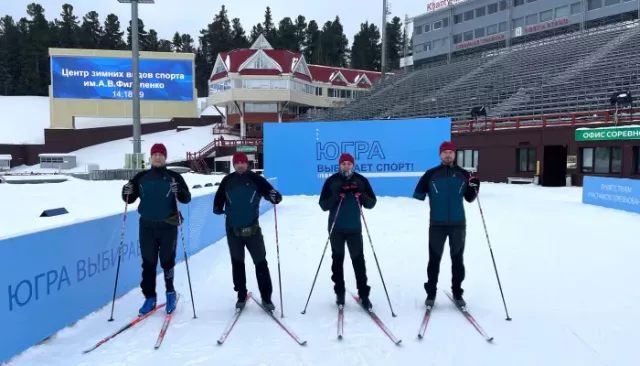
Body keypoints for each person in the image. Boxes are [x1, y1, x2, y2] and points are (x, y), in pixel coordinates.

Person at [121, 143, 191, 316]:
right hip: (146, 226)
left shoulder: (173, 176)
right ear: (150, 157)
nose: (158, 157)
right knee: (148, 263)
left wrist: (179, 190)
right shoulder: (141, 177)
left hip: (167, 225)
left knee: (167, 261)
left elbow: (186, 198)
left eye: (161, 154)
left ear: (165, 157)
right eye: (155, 154)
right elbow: (129, 199)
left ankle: (170, 294)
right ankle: (150, 297)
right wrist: (125, 190)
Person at [412, 141, 480, 308]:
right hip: (437, 224)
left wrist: (475, 186)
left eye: (450, 152)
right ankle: (431, 294)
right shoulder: (431, 174)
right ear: (440, 155)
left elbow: (470, 198)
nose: (448, 155)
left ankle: (457, 293)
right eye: (445, 153)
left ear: (454, 155)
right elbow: (418, 194)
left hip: (458, 224)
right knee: (434, 260)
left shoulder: (464, 174)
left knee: (457, 260)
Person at [213, 152, 282, 312]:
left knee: (260, 263)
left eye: (243, 162)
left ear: (247, 164)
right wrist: (218, 208)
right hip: (233, 231)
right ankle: (241, 294)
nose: (240, 165)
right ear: (234, 164)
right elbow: (218, 201)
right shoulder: (227, 181)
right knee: (237, 263)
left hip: (253, 230)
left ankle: (266, 298)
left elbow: (276, 197)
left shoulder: (256, 179)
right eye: (237, 163)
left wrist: (274, 197)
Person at [318, 153, 377, 310]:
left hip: (354, 229)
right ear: (339, 165)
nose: (346, 166)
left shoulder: (361, 180)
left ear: (353, 164)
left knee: (358, 262)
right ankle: (340, 293)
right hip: (336, 228)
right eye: (343, 164)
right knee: (337, 262)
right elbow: (323, 205)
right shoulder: (331, 181)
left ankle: (364, 296)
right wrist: (337, 196)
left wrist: (361, 195)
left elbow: (372, 203)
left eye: (349, 164)